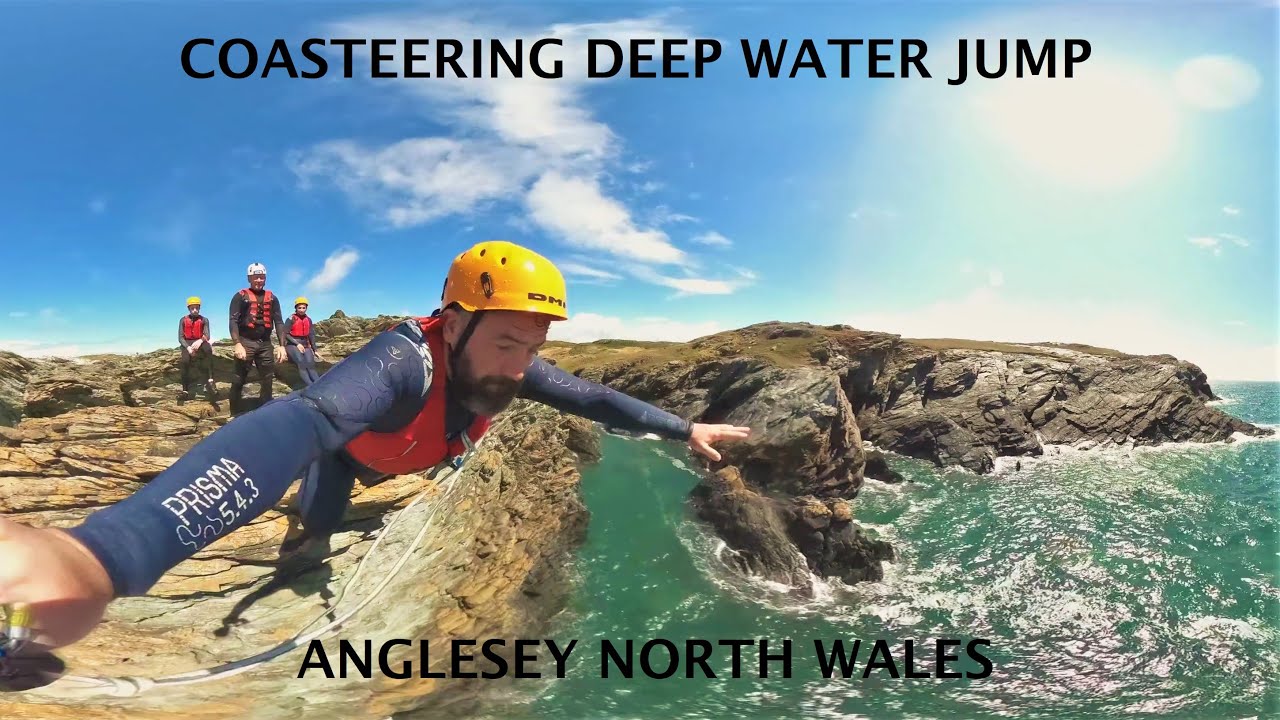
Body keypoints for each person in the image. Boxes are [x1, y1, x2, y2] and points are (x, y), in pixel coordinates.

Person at [0, 240, 751, 653]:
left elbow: (595, 398)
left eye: (534, 347)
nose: (521, 365)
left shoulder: (512, 362)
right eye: (509, 344)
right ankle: (305, 537)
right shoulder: (401, 362)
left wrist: (688, 429)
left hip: (415, 455)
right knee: (316, 524)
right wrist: (108, 552)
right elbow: (299, 424)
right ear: (452, 324)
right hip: (350, 456)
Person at [227, 263, 287, 415]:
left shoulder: (272, 298)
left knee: (267, 379)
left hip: (265, 343)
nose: (259, 280)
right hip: (246, 341)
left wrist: (282, 345)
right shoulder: (240, 297)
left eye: (262, 277)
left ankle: (265, 411)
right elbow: (233, 321)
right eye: (256, 277)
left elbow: (279, 322)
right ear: (249, 278)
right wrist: (237, 344)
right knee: (239, 378)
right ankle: (234, 412)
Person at [178, 296, 216, 401]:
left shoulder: (204, 320)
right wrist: (188, 348)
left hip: (200, 340)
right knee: (185, 361)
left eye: (196, 308)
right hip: (188, 342)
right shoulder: (183, 320)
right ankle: (185, 390)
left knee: (208, 350)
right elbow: (180, 337)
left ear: (199, 308)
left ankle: (211, 380)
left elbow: (207, 335)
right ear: (189, 309)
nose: (195, 310)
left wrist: (200, 341)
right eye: (192, 308)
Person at [284, 296, 323, 386]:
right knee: (301, 362)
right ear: (296, 308)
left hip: (305, 344)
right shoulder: (291, 319)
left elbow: (311, 335)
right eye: (299, 308)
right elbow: (285, 334)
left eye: (303, 308)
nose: (301, 310)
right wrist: (297, 344)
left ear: (306, 308)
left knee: (310, 364)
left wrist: (315, 350)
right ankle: (310, 386)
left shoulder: (308, 320)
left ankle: (319, 385)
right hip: (292, 344)